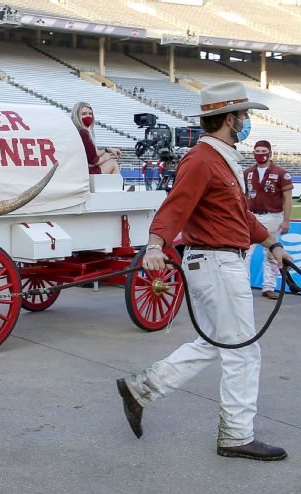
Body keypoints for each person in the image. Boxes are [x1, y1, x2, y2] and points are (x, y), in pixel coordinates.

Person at [116, 81, 292, 461]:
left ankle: (142, 387)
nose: (246, 122)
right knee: (243, 351)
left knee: (217, 341)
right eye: (244, 116)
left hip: (221, 261)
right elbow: (174, 207)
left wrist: (272, 245)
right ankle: (236, 435)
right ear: (229, 119)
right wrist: (154, 245)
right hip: (215, 263)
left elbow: (239, 216)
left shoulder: (220, 157)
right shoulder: (201, 160)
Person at [243, 140, 293, 300]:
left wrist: (286, 220)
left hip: (273, 216)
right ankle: (243, 286)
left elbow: (288, 198)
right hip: (252, 216)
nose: (260, 153)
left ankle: (269, 287)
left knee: (272, 253)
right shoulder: (247, 172)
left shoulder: (281, 173)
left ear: (270, 153)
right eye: (257, 150)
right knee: (245, 252)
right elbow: (243, 197)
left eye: (263, 150)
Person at [71, 102, 121, 175]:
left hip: (77, 170)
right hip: (83, 173)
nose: (88, 116)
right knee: (113, 164)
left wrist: (108, 150)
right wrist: (107, 156)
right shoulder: (83, 132)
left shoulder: (75, 130)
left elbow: (92, 154)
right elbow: (94, 161)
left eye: (90, 113)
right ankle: (117, 186)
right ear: (77, 116)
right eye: (84, 114)